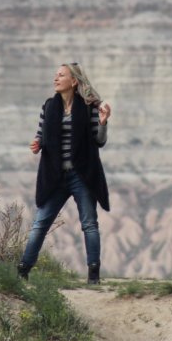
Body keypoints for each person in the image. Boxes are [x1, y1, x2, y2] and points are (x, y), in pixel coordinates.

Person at [18, 62, 112, 284]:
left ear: (74, 81)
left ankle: (93, 276)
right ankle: (22, 271)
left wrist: (103, 123)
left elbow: (99, 141)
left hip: (82, 175)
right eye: (55, 75)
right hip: (55, 176)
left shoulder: (89, 107)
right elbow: (41, 134)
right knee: (40, 223)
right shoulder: (49, 107)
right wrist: (37, 143)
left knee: (89, 224)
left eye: (61, 75)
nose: (56, 78)